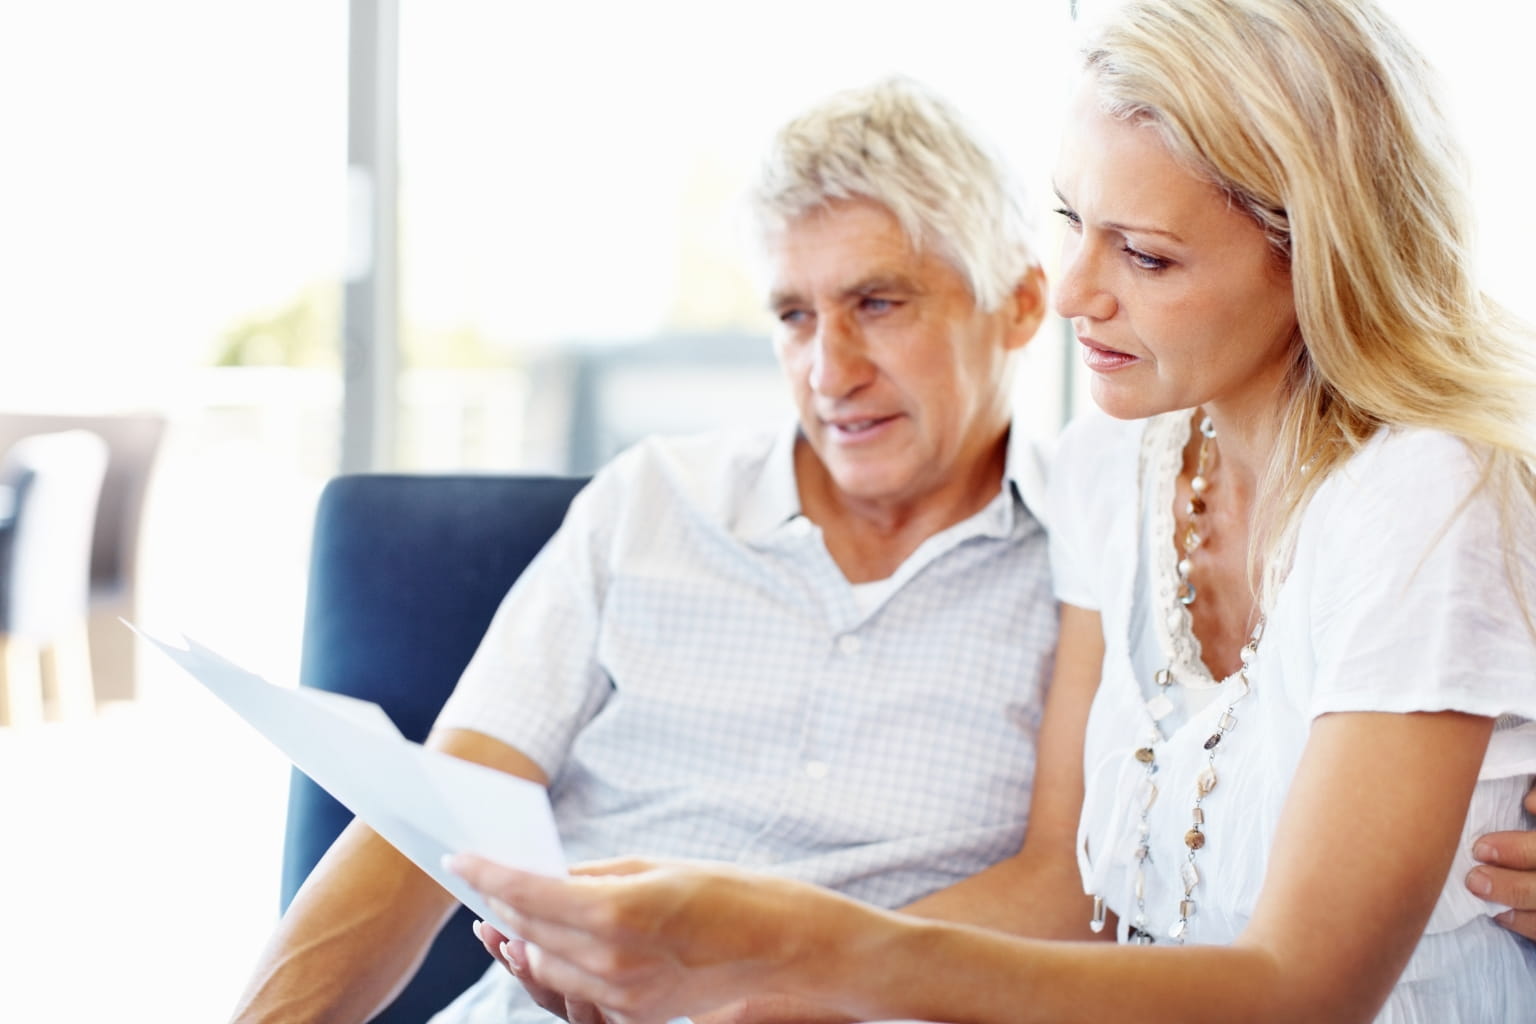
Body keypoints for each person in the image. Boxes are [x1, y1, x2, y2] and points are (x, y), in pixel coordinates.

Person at [448, 1, 1536, 1021]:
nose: (1067, 291)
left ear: (1319, 261)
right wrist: (732, 985)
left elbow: (1302, 991)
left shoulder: (1421, 496)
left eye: (1145, 256)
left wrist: (799, 943)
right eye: (1072, 221)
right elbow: (1088, 902)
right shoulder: (1118, 462)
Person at [231, 77, 1069, 1024]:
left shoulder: (1090, 562)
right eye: (794, 316)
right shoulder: (653, 502)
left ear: (1023, 304)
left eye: (878, 303)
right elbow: (440, 809)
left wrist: (769, 1002)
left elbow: (1069, 907)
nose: (830, 372)